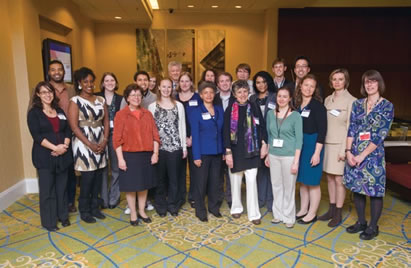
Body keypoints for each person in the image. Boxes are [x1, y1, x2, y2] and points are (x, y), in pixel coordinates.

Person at [344, 70, 394, 240]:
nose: (370, 85)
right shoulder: (358, 104)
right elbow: (351, 129)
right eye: (367, 82)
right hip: (355, 152)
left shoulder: (387, 106)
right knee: (357, 189)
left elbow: (381, 134)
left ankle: (373, 226)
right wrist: (348, 151)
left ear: (379, 84)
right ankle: (361, 222)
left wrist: (362, 155)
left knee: (374, 191)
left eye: (373, 81)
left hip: (373, 156)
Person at [27, 81, 72, 231]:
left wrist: (64, 147)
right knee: (47, 190)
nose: (48, 95)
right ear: (38, 95)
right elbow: (37, 136)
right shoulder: (34, 113)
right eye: (44, 92)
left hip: (63, 155)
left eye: (50, 92)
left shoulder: (59, 110)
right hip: (44, 157)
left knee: (62, 188)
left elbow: (67, 130)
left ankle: (63, 216)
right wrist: (55, 148)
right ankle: (49, 222)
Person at [113, 84, 160, 226]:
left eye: (139, 95)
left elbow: (155, 136)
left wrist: (155, 153)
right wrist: (120, 159)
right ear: (127, 98)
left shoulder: (147, 114)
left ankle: (142, 210)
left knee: (144, 185)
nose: (136, 98)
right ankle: (133, 212)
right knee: (131, 186)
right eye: (133, 95)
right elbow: (116, 139)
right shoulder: (121, 115)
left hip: (146, 155)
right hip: (129, 155)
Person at [68, 67, 109, 224]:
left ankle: (94, 208)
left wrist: (104, 141)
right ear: (80, 83)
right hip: (84, 143)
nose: (90, 84)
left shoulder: (101, 100)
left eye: (92, 81)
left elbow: (105, 120)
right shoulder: (75, 101)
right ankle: (84, 210)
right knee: (88, 179)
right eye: (86, 82)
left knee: (98, 176)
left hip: (100, 141)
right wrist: (90, 144)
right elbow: (74, 127)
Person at [224, 80, 267, 225]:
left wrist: (263, 144)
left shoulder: (254, 107)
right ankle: (236, 208)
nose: (242, 94)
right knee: (235, 181)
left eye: (244, 91)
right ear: (234, 94)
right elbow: (225, 132)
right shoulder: (230, 109)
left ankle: (254, 213)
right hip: (235, 152)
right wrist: (228, 152)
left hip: (252, 151)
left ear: (248, 92)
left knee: (251, 181)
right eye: (239, 92)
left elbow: (262, 128)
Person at [319, 69, 356, 227]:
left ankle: (338, 213)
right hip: (327, 144)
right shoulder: (328, 99)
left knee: (339, 180)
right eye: (334, 79)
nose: (337, 82)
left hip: (341, 145)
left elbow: (350, 127)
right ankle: (332, 209)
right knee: (329, 178)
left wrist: (344, 150)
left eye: (340, 79)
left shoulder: (352, 100)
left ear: (346, 81)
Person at [148, 78, 187, 217]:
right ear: (158, 87)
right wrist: (153, 150)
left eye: (169, 87)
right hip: (159, 148)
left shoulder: (179, 106)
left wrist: (184, 147)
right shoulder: (152, 106)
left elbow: (182, 127)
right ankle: (161, 205)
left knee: (174, 179)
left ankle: (173, 204)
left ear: (172, 88)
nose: (166, 89)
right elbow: (151, 130)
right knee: (160, 179)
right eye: (163, 86)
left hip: (175, 148)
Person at [265, 86, 302, 228]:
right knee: (276, 185)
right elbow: (270, 136)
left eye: (285, 96)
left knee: (289, 187)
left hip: (289, 156)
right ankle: (278, 214)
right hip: (274, 155)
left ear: (290, 98)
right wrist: (268, 154)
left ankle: (288, 216)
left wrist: (296, 162)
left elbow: (299, 140)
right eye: (279, 96)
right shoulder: (270, 114)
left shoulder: (295, 116)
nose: (281, 99)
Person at [294, 74, 327, 225]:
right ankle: (303, 209)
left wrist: (317, 153)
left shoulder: (318, 107)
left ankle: (312, 213)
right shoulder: (297, 105)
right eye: (306, 85)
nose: (308, 88)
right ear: (300, 86)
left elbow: (322, 132)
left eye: (311, 86)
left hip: (313, 145)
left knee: (312, 182)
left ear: (315, 90)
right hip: (301, 146)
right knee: (303, 181)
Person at [190, 82, 224, 222]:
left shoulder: (219, 109)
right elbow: (195, 135)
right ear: (201, 95)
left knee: (215, 182)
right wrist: (196, 156)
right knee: (201, 183)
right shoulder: (196, 112)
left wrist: (223, 151)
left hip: (217, 152)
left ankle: (213, 207)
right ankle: (200, 210)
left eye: (211, 92)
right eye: (206, 93)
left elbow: (222, 132)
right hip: (202, 153)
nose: (209, 95)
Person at [47, 60, 77, 213]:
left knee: (69, 172)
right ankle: (55, 203)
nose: (57, 72)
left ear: (64, 72)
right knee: (51, 174)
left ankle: (70, 202)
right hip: (50, 140)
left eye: (59, 69)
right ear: (49, 72)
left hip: (69, 137)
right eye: (53, 70)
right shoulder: (42, 89)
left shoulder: (71, 90)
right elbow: (32, 114)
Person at [250, 71, 276, 212]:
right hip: (257, 137)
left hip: (273, 136)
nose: (261, 85)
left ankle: (271, 201)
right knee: (260, 170)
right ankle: (261, 199)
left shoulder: (275, 97)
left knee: (271, 169)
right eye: (258, 82)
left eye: (264, 82)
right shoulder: (252, 98)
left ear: (268, 82)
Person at [96, 72, 123, 209]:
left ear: (116, 82)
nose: (110, 83)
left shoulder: (121, 99)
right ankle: (104, 199)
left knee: (116, 168)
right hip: (99, 135)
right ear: (102, 83)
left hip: (116, 135)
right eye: (107, 80)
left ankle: (114, 197)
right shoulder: (96, 97)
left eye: (112, 80)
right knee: (102, 167)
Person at [176, 72, 202, 208]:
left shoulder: (198, 98)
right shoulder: (174, 98)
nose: (184, 84)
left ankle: (193, 196)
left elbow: (200, 118)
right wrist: (183, 138)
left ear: (191, 82)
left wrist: (192, 137)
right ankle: (180, 196)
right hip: (179, 139)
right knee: (179, 170)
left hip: (195, 138)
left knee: (194, 170)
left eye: (187, 81)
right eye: (182, 81)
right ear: (178, 83)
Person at [214, 72, 235, 207]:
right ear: (218, 84)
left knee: (231, 171)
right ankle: (218, 196)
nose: (225, 83)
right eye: (221, 81)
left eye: (227, 80)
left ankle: (231, 198)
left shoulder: (237, 98)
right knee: (218, 171)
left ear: (231, 83)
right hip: (216, 139)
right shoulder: (213, 98)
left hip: (233, 140)